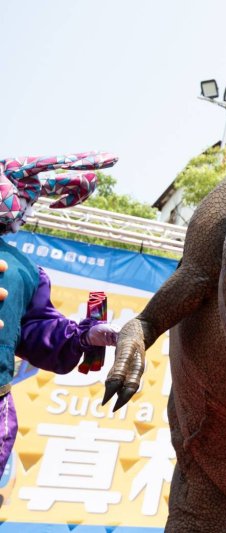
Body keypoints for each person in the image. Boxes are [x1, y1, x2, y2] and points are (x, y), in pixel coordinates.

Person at [0, 152, 120, 473]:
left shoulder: (26, 271)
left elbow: (36, 331)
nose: (25, 211)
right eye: (24, 199)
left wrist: (84, 336)